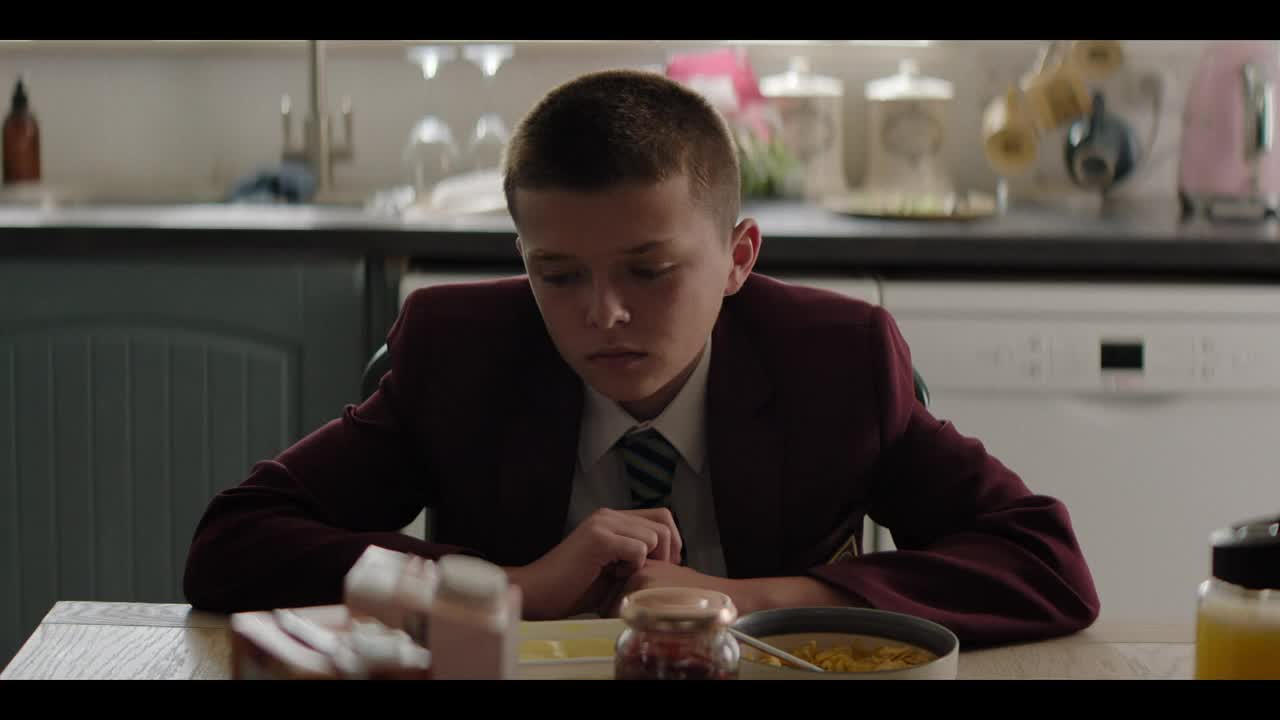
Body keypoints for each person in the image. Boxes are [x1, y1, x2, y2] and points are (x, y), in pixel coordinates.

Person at [184, 69, 1098, 647]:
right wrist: (513, 588)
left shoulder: (836, 362)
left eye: (649, 270)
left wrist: (746, 598)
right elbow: (235, 543)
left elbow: (1045, 562)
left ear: (738, 257)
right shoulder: (459, 354)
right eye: (558, 274)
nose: (604, 313)